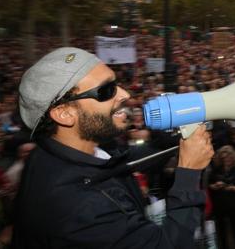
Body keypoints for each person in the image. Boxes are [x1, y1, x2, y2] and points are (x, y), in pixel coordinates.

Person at [11, 47, 214, 248]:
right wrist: (189, 173)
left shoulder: (52, 154)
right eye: (106, 91)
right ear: (64, 113)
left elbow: (120, 160)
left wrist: (176, 141)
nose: (125, 94)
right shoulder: (79, 209)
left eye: (117, 84)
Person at [208, 146, 235, 249]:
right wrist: (214, 186)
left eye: (228, 158)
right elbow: (210, 185)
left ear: (233, 158)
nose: (226, 161)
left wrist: (231, 187)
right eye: (223, 159)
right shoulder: (216, 170)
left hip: (234, 204)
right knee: (221, 231)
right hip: (219, 205)